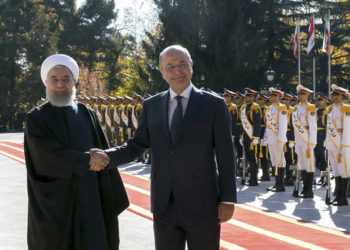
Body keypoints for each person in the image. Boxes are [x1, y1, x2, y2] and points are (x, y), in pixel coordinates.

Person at [90, 45, 237, 250]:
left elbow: (226, 154)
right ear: (162, 72)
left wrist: (228, 199)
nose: (177, 71)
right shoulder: (151, 106)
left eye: (182, 65)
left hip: (203, 204)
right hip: (164, 204)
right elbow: (137, 145)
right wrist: (107, 156)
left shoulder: (214, 104)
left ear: (191, 66)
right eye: (170, 67)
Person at [24, 54, 129, 250]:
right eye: (54, 79)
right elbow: (45, 157)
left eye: (66, 79)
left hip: (89, 198)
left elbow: (103, 151)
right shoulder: (36, 118)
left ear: (74, 81)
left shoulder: (86, 113)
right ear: (46, 82)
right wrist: (86, 159)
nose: (60, 84)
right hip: (55, 204)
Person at [325, 84, 350, 206]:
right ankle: (338, 195)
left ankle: (343, 197)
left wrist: (345, 146)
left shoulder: (346, 109)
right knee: (336, 170)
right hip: (332, 143)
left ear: (340, 96)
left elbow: (347, 128)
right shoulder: (331, 109)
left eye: (334, 94)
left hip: (341, 144)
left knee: (343, 170)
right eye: (332, 94)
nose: (332, 96)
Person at [291, 84, 317, 198]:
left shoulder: (310, 107)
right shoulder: (297, 108)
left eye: (302, 94)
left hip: (306, 139)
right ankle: (304, 188)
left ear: (307, 95)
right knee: (302, 165)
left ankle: (309, 190)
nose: (299, 96)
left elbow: (313, 126)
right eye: (298, 94)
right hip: (299, 140)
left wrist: (312, 142)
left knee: (309, 165)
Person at [263, 88, 288, 192]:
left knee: (280, 161)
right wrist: (265, 138)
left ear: (278, 96)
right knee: (274, 161)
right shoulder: (269, 108)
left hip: (278, 139)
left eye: (273, 96)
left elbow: (283, 126)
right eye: (270, 96)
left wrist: (281, 141)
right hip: (271, 138)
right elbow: (268, 125)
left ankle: (281, 185)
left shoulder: (281, 108)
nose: (271, 97)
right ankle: (276, 183)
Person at [240, 88, 262, 186]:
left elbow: (257, 124)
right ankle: (250, 178)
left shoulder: (255, 107)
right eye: (246, 96)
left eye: (249, 96)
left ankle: (254, 179)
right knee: (248, 157)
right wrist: (241, 136)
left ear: (253, 97)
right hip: (245, 136)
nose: (247, 98)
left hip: (252, 136)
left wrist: (256, 137)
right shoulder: (244, 107)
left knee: (254, 158)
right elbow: (242, 124)